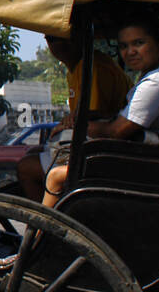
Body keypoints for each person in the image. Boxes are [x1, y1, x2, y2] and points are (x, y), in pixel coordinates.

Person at [43, 11, 159, 207]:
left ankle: (43, 235)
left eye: (138, 43)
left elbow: (115, 131)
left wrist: (78, 126)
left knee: (56, 176)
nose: (130, 52)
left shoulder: (158, 82)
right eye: (124, 46)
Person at [17, 31, 129, 201]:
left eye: (63, 39)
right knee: (33, 152)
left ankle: (44, 223)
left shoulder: (93, 66)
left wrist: (69, 122)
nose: (58, 46)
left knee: (26, 167)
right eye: (52, 39)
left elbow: (96, 114)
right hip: (92, 142)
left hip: (101, 146)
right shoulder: (76, 69)